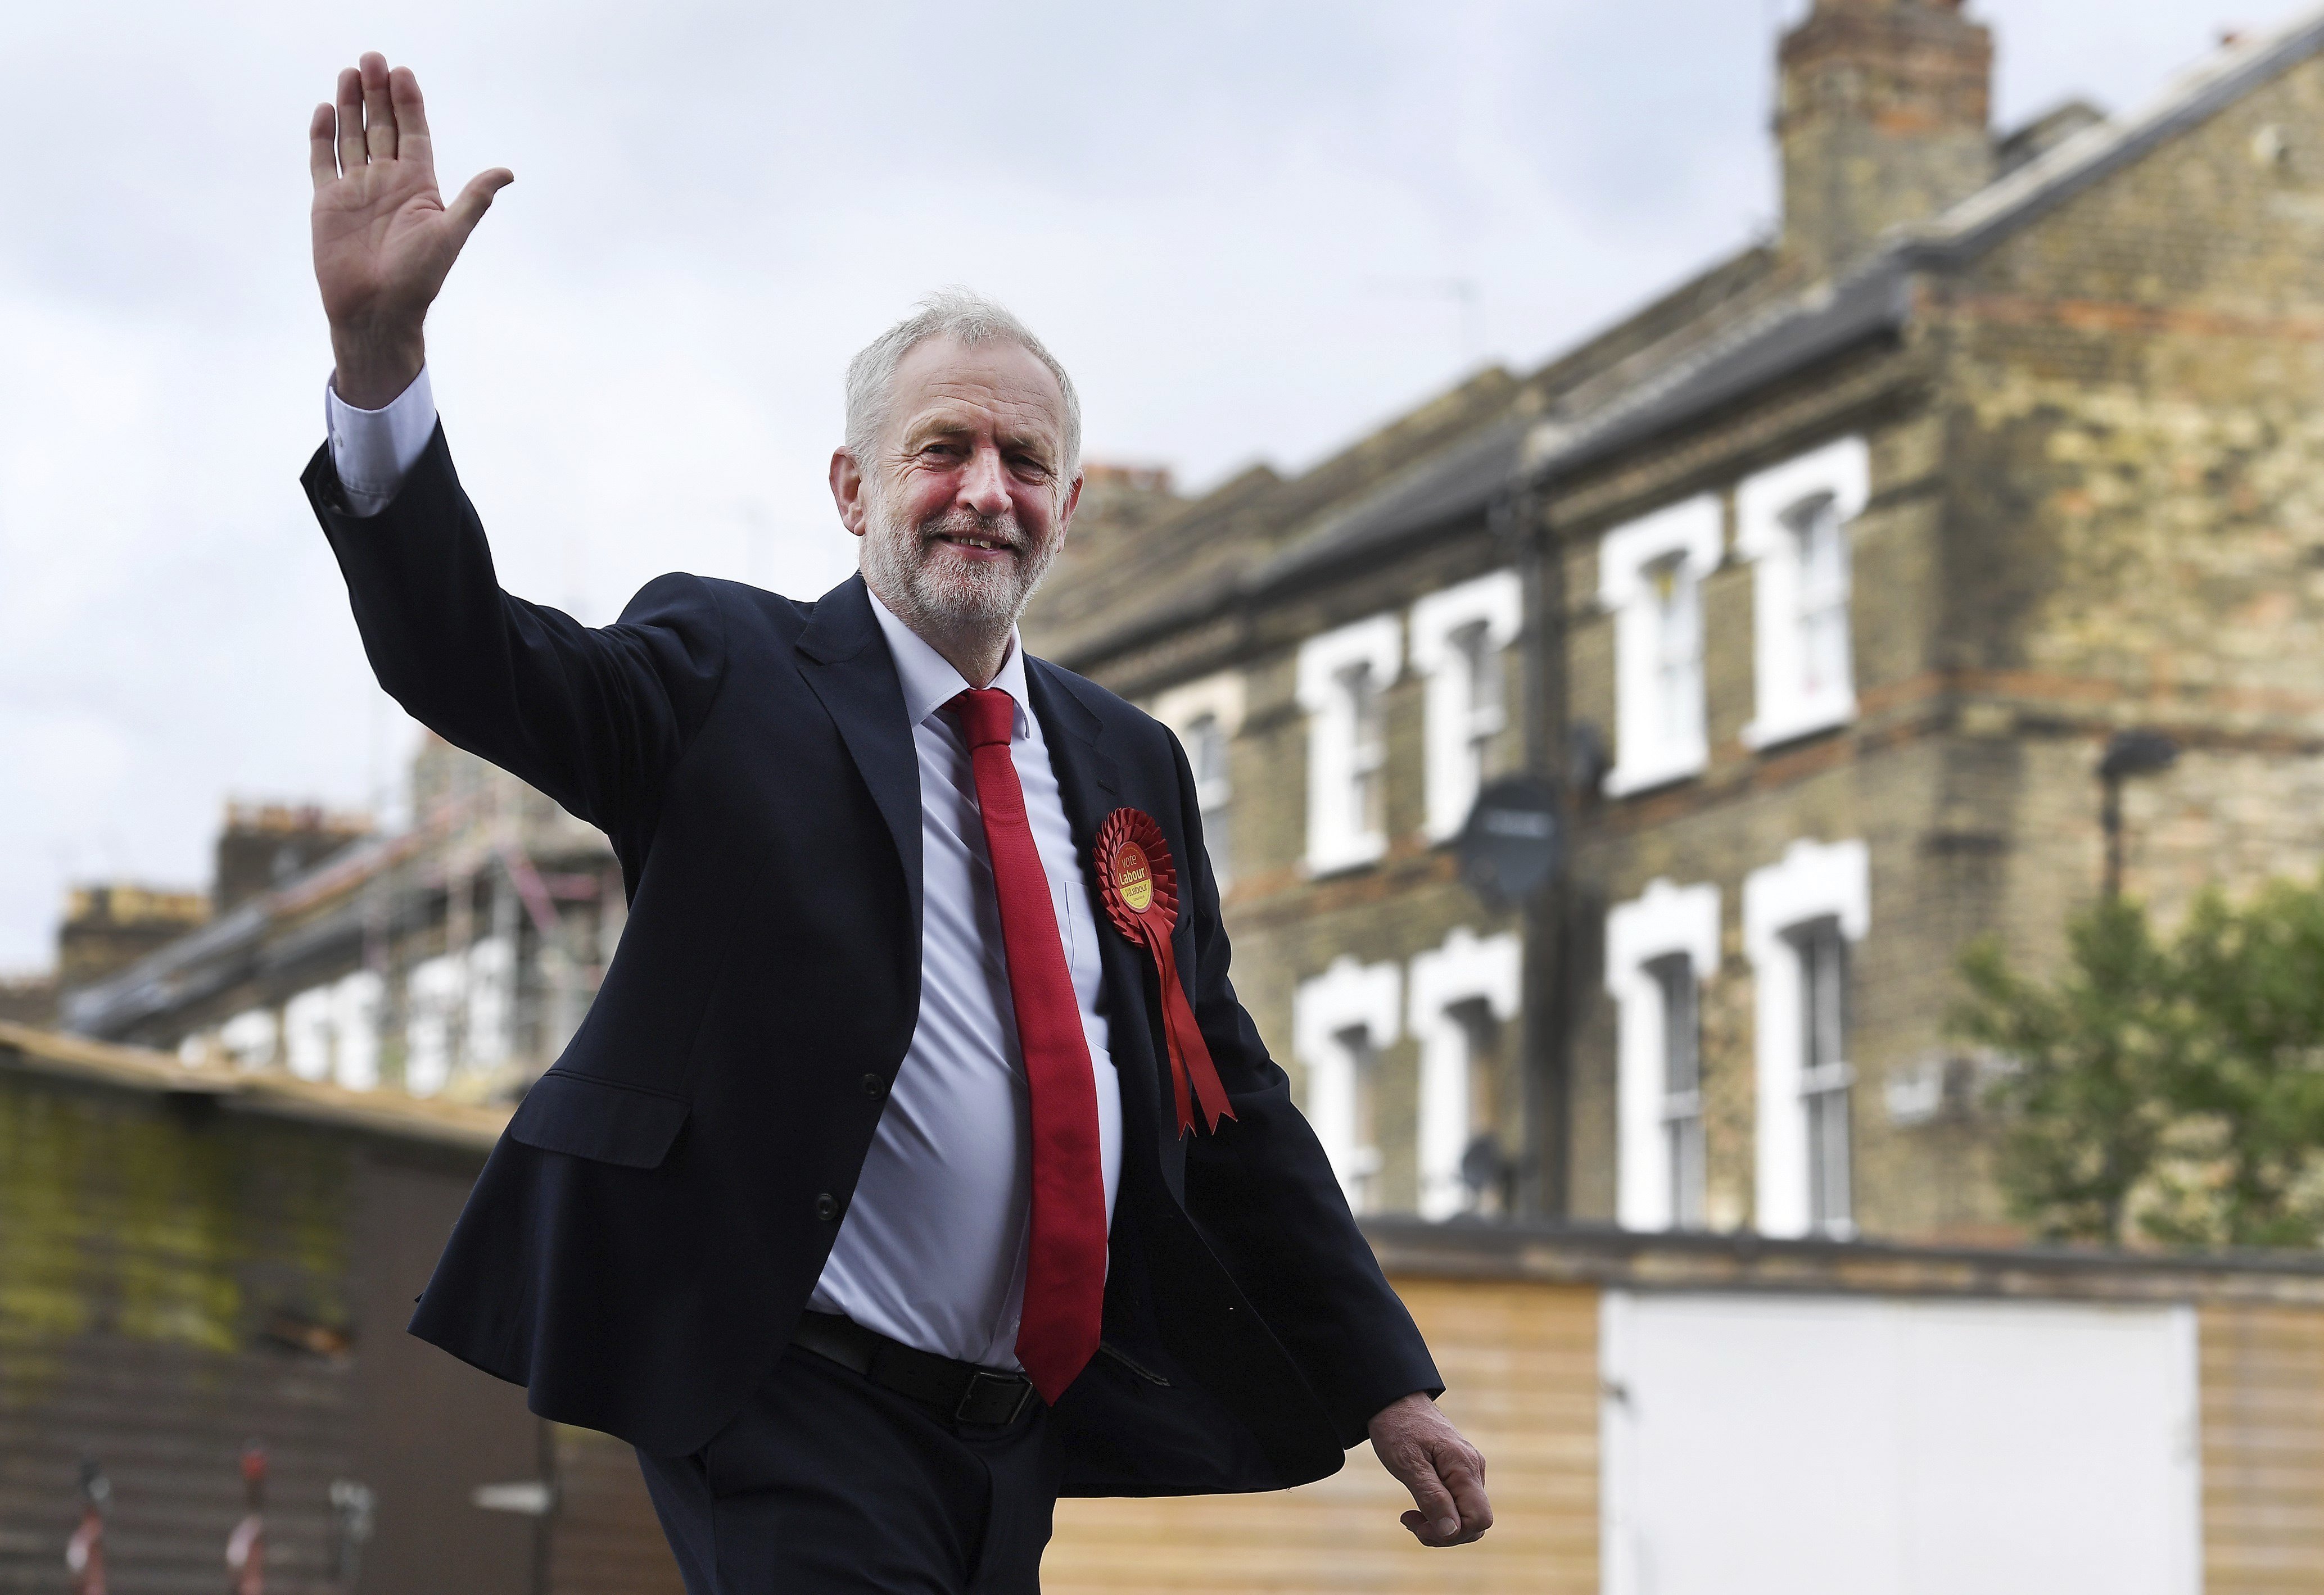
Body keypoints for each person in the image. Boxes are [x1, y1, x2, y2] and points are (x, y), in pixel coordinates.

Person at [302, 52, 1493, 1594]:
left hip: (1018, 1435)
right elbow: (470, 658)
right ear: (854, 486)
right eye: (944, 450)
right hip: (789, 1386)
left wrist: (1383, 1379)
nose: (985, 491)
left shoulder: (1128, 759)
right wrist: (380, 365)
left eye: (1026, 461)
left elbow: (1225, 1092)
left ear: (1067, 505)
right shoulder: (728, 673)